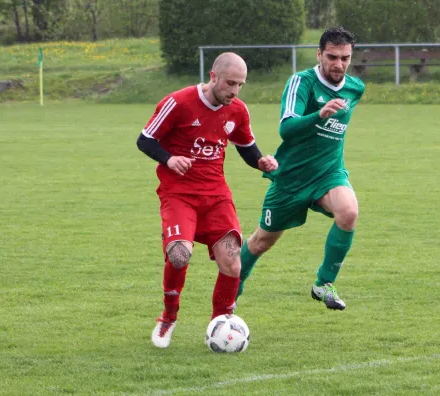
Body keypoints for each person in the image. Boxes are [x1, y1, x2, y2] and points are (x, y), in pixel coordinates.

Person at [136, 52, 278, 348]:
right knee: (179, 255)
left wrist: (261, 162)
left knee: (233, 262)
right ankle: (168, 318)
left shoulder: (237, 109)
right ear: (213, 76)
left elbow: (246, 146)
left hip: (216, 196)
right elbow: (145, 139)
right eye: (230, 83)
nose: (235, 91)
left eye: (241, 85)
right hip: (178, 194)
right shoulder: (178, 102)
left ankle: (222, 324)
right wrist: (169, 158)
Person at [237, 27, 365, 310]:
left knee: (349, 212)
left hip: (328, 173)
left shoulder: (355, 88)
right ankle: (230, 294)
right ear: (319, 54)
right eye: (332, 57)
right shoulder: (302, 82)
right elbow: (287, 129)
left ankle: (323, 284)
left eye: (345, 58)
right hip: (292, 178)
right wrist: (318, 115)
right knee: (261, 242)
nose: (339, 64)